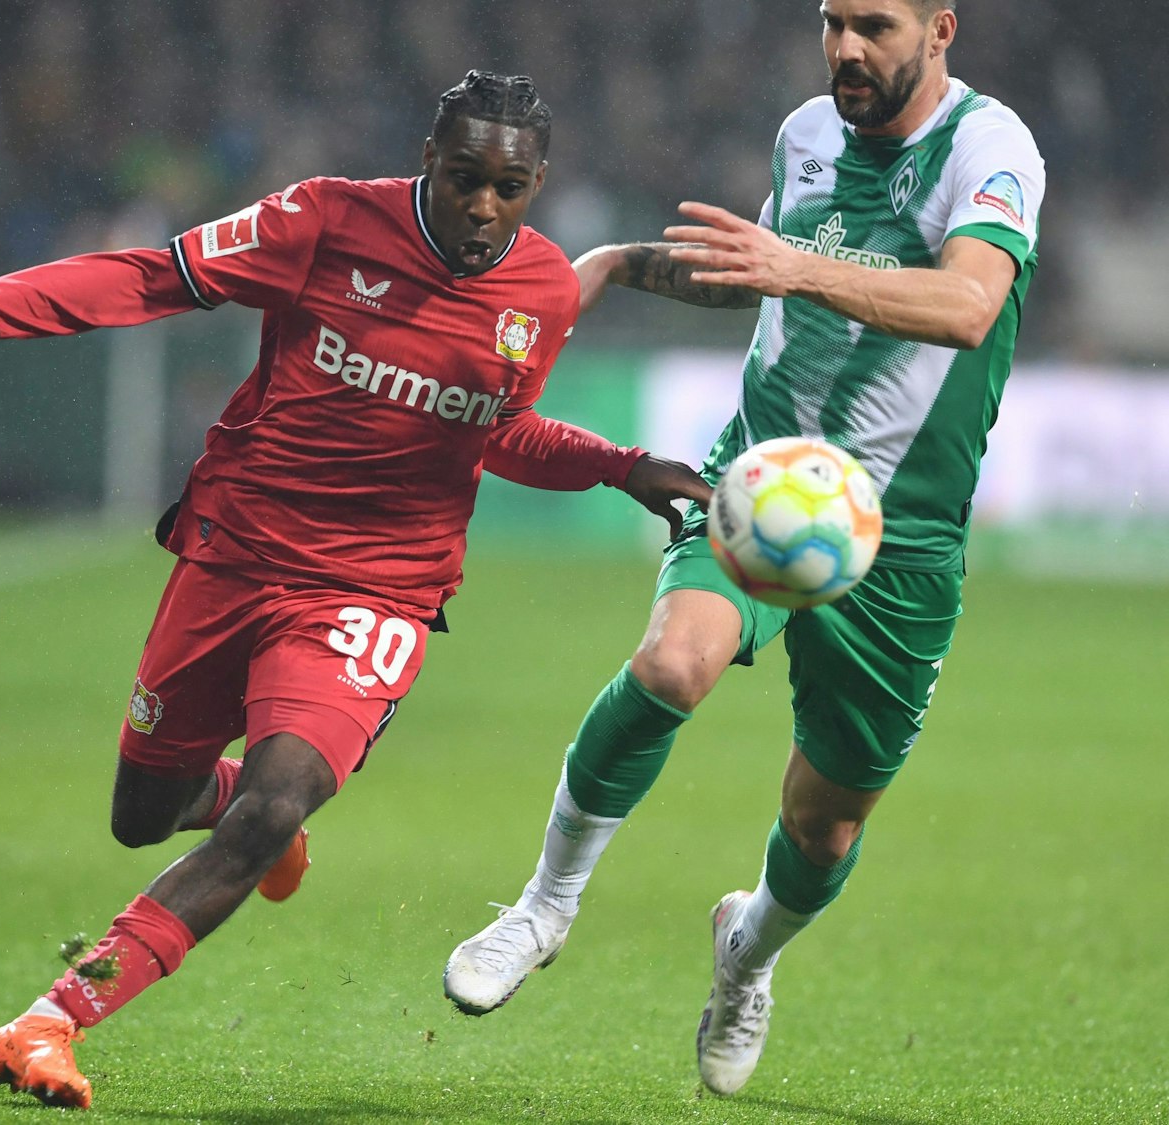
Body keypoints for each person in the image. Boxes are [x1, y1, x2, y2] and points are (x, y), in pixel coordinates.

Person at [0, 71, 711, 1110]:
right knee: (140, 812)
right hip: (235, 550)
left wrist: (624, 465)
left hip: (375, 591)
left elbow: (498, 431)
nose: (484, 206)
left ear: (536, 186)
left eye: (509, 188)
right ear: (426, 161)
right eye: (466, 178)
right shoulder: (324, 220)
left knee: (275, 795)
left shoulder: (535, 292)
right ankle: (246, 813)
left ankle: (53, 1017)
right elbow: (150, 277)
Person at [441, 0, 1046, 1098]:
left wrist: (791, 269)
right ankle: (540, 908)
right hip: (763, 474)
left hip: (896, 533)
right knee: (673, 663)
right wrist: (621, 262)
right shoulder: (804, 133)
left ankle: (745, 950)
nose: (845, 49)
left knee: (825, 829)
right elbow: (755, 273)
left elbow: (966, 304)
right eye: (830, 23)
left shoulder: (989, 147)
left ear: (939, 29)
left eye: (873, 25)